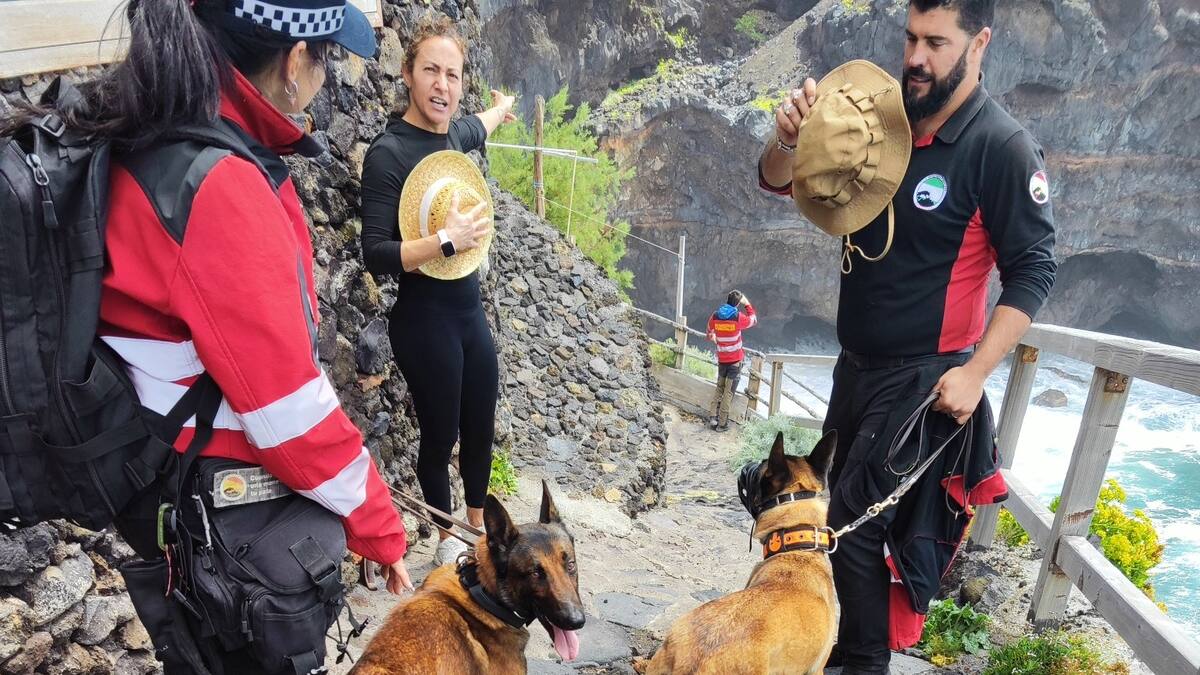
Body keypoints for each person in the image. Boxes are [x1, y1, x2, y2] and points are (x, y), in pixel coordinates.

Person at [5, 0, 422, 670]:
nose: (326, 77)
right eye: (327, 59)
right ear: (294, 62)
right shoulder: (220, 185)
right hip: (215, 505)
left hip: (161, 482)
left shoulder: (156, 131)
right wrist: (378, 522)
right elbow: (288, 413)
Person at [757, 1, 1057, 672]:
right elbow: (778, 178)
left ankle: (861, 663)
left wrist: (976, 372)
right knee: (829, 518)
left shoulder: (1001, 147)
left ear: (979, 43)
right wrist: (788, 138)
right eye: (911, 38)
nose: (916, 58)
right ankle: (837, 653)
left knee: (854, 529)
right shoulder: (879, 114)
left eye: (936, 43)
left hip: (926, 378)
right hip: (855, 368)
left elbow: (1036, 268)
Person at [359, 15, 517, 568]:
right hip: (423, 317)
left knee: (479, 426)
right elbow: (375, 253)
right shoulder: (388, 153)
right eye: (431, 70)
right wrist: (444, 241)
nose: (442, 85)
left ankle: (478, 531)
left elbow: (479, 125)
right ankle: (447, 538)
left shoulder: (454, 134)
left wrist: (501, 107)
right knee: (440, 431)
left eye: (452, 74)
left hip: (468, 312)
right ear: (407, 74)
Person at [706, 290, 757, 431]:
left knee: (720, 388)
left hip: (722, 359)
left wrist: (715, 338)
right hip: (734, 362)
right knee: (728, 393)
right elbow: (753, 320)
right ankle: (722, 424)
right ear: (738, 303)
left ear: (727, 299)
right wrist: (747, 304)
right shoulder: (737, 317)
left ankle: (712, 417)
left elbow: (709, 332)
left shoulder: (715, 315)